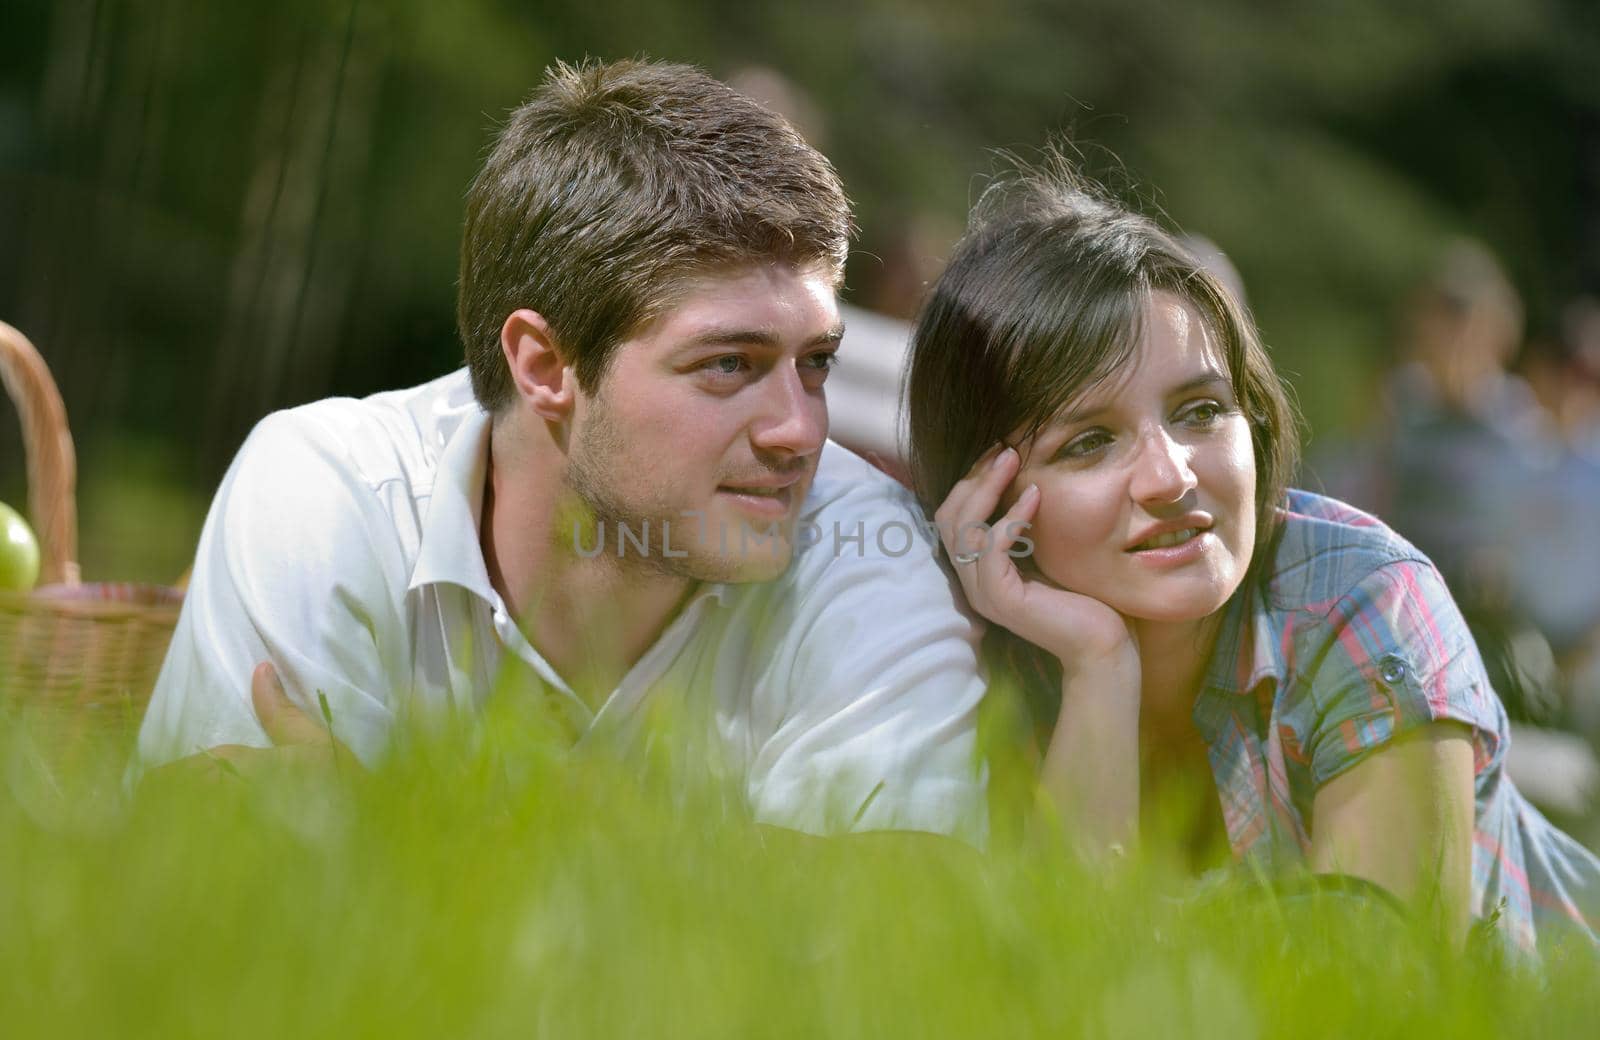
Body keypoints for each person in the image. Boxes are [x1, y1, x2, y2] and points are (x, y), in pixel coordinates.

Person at [135, 59, 986, 842]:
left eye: (816, 364)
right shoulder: (326, 487)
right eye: (730, 363)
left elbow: (903, 918)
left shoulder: (864, 541)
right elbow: (223, 885)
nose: (801, 430)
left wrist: (391, 823)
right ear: (545, 366)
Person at [903, 157, 1600, 954]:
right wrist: (1099, 667)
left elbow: (1378, 1001)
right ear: (987, 495)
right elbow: (1049, 991)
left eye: (1201, 411)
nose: (1171, 477)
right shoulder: (954, 651)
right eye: (1090, 442)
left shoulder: (1364, 600)